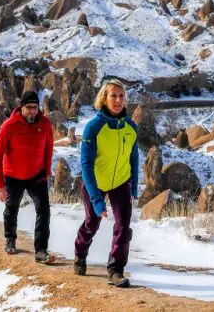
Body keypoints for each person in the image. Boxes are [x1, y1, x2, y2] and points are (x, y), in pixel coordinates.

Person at [73, 79, 139, 287]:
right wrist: (96, 198)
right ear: (104, 98)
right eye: (113, 95)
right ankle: (80, 252)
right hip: (96, 182)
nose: (118, 100)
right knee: (92, 223)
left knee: (123, 226)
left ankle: (115, 269)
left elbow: (134, 158)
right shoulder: (94, 127)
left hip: (121, 181)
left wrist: (134, 186)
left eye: (121, 96)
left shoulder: (130, 126)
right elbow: (86, 164)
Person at [0, 90, 55, 264]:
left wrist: (47, 172)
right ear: (21, 107)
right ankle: (10, 239)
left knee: (44, 210)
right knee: (12, 208)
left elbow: (49, 149)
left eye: (35, 107)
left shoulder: (45, 124)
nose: (33, 111)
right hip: (13, 176)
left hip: (37, 175)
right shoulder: (9, 125)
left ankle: (41, 251)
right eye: (29, 108)